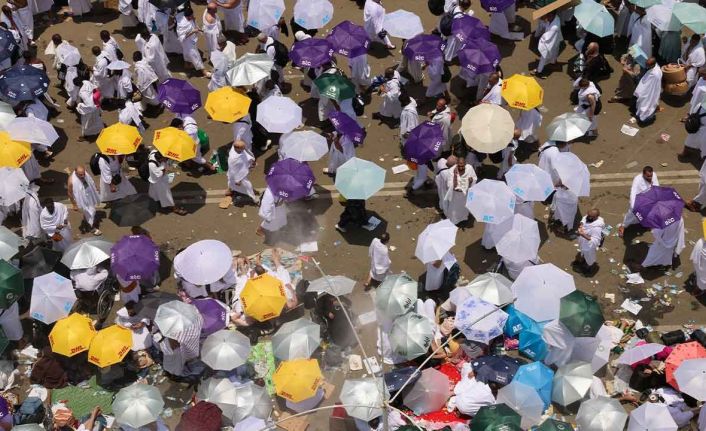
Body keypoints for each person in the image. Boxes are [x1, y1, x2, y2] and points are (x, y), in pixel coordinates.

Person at [619, 166, 658, 237]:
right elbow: (633, 192)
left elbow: (657, 186)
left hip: (649, 201)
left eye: (651, 176)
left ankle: (647, 224)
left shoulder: (654, 175)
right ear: (643, 174)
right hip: (638, 200)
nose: (650, 178)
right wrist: (633, 206)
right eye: (648, 176)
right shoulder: (637, 179)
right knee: (631, 214)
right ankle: (623, 226)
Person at [148, 150, 187, 215]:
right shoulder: (152, 165)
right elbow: (159, 175)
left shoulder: (154, 153)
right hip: (158, 181)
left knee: (154, 193)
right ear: (160, 159)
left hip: (156, 180)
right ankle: (174, 208)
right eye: (164, 159)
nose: (166, 159)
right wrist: (163, 169)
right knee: (166, 194)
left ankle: (157, 202)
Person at [441, 154, 477, 225]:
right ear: (457, 164)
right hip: (455, 196)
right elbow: (449, 185)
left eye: (462, 166)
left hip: (465, 195)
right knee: (454, 210)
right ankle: (453, 221)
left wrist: (471, 180)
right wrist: (455, 176)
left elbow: (474, 178)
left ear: (465, 164)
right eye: (459, 166)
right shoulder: (451, 171)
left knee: (463, 208)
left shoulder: (469, 168)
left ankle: (463, 218)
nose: (461, 167)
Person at [67, 165, 102, 235]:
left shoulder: (84, 173)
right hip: (81, 200)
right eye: (80, 175)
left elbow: (91, 181)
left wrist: (95, 187)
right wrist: (74, 205)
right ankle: (91, 228)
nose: (83, 176)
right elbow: (69, 193)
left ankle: (87, 221)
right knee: (91, 213)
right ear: (76, 173)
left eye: (84, 174)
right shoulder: (71, 181)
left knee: (89, 212)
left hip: (89, 195)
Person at [226, 139, 258, 205]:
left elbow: (245, 155)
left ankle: (231, 189)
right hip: (239, 176)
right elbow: (233, 171)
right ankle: (254, 198)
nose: (244, 149)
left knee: (232, 184)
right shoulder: (233, 159)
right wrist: (238, 180)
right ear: (237, 148)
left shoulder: (239, 150)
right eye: (243, 147)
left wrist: (251, 161)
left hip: (242, 172)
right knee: (248, 186)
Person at [574, 208, 605, 275]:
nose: (587, 216)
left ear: (595, 217)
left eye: (589, 216)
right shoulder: (589, 218)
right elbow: (584, 218)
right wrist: (581, 225)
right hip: (583, 242)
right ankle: (583, 260)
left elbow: (595, 240)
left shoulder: (596, 228)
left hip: (589, 246)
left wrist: (583, 234)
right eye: (588, 214)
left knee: (589, 256)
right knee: (583, 252)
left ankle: (588, 267)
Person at [531, 12, 562, 78]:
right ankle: (553, 63)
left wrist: (539, 39)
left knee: (544, 57)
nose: (547, 18)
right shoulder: (556, 18)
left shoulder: (554, 27)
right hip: (555, 41)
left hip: (550, 43)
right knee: (554, 53)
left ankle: (539, 72)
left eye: (548, 16)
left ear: (552, 15)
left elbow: (546, 38)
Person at [176, 8, 206, 75]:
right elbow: (182, 37)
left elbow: (193, 26)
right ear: (187, 16)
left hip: (192, 40)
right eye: (191, 16)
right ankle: (204, 71)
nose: (192, 16)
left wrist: (195, 22)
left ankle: (187, 65)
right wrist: (192, 32)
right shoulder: (181, 24)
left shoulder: (190, 18)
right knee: (195, 55)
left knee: (187, 53)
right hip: (187, 42)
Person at [633, 57, 662, 126]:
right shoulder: (656, 67)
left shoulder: (655, 74)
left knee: (646, 103)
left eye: (648, 65)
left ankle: (643, 117)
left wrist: (641, 90)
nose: (646, 66)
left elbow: (648, 84)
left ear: (652, 65)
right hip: (651, 89)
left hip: (650, 91)